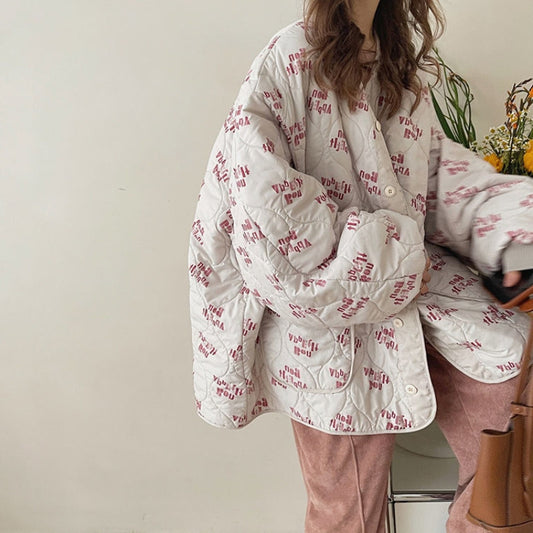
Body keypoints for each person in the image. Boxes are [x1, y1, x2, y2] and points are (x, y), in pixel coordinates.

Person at [188, 1, 533, 531]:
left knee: (511, 455)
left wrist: (514, 235)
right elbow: (274, 230)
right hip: (328, 332)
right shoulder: (286, 62)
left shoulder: (395, 64)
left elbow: (435, 174)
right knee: (346, 517)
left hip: (416, 299)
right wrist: (399, 256)